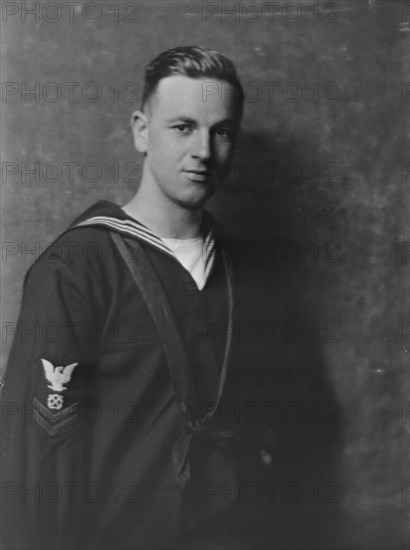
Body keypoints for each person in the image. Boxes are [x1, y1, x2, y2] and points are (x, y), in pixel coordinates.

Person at [1, 46, 341, 550]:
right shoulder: (76, 267)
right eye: (183, 127)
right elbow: (39, 458)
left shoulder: (242, 271)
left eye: (221, 131)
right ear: (142, 130)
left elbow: (284, 412)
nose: (204, 150)